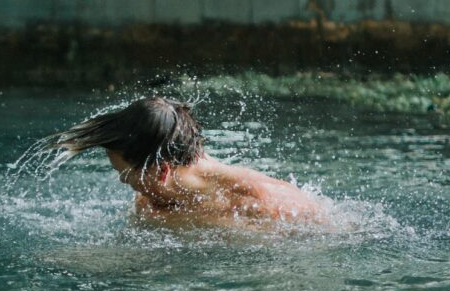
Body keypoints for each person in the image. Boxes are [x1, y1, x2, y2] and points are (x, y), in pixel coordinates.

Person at [44, 97, 323, 227]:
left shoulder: (256, 205)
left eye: (125, 174)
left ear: (162, 170)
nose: (123, 182)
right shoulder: (157, 198)